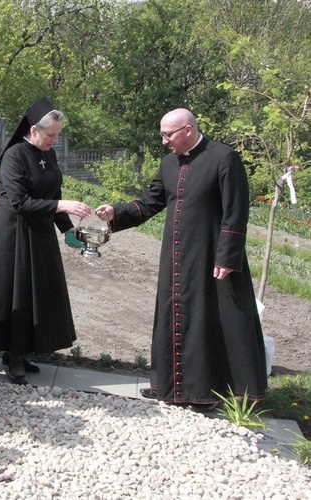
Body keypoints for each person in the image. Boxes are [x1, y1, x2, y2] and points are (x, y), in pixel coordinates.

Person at [95, 108, 267, 409]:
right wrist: (116, 213)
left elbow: (236, 212)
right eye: (162, 134)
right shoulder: (168, 164)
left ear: (187, 130)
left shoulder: (224, 158)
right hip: (175, 257)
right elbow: (151, 202)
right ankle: (171, 387)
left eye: (168, 135)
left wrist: (227, 257)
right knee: (175, 315)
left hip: (212, 256)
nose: (164, 141)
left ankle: (207, 392)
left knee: (209, 320)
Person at [0, 97, 91, 385]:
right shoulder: (14, 156)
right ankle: (12, 354)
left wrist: (67, 230)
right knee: (15, 293)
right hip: (12, 234)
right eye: (50, 135)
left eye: (57, 135)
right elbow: (19, 201)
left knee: (36, 294)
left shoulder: (49, 155)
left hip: (39, 233)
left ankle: (24, 349)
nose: (55, 140)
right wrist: (63, 207)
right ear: (33, 130)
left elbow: (52, 195)